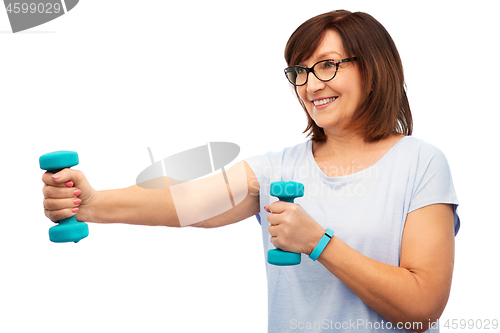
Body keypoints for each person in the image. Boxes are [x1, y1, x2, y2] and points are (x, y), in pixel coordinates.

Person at [42, 10, 459, 333]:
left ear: (372, 69)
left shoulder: (420, 163)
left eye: (328, 65)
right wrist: (91, 204)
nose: (312, 85)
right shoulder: (277, 167)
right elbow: (189, 203)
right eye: (300, 71)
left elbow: (421, 307)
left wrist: (317, 243)